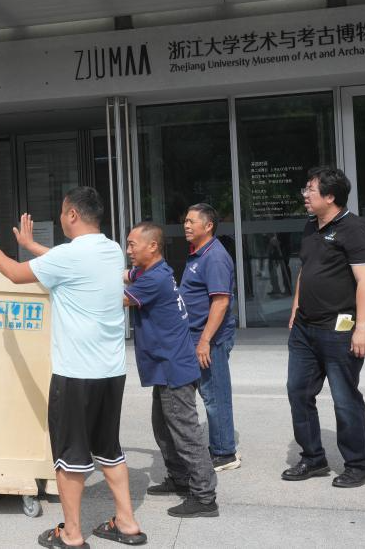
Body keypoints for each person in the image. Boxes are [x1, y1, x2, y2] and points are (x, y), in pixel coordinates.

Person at [0, 189, 146, 548]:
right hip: (111, 372)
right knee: (109, 450)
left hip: (76, 376)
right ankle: (127, 523)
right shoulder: (111, 249)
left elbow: (15, 274)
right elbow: (62, 262)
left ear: (72, 215)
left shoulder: (69, 256)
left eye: (61, 212)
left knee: (70, 458)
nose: (60, 217)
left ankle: (71, 534)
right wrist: (29, 245)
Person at [284, 167, 365, 488]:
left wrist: (362, 327)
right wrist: (295, 307)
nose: (305, 195)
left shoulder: (355, 230)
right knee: (298, 391)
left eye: (310, 190)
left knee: (344, 398)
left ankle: (358, 464)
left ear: (330, 196)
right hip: (305, 328)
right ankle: (313, 458)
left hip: (340, 327)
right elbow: (305, 270)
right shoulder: (311, 226)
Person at [124, 222, 219, 519]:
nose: (128, 250)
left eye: (132, 244)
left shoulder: (154, 279)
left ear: (152, 246)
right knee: (163, 427)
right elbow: (125, 276)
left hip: (173, 367)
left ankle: (204, 497)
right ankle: (179, 478)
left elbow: (120, 298)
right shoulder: (151, 270)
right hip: (166, 365)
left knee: (185, 433)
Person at [179, 203, 240, 472]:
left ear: (208, 225)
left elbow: (220, 302)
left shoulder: (214, 257)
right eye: (185, 221)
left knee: (215, 395)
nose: (186, 225)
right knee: (209, 393)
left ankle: (225, 453)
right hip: (197, 336)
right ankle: (220, 445)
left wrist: (204, 341)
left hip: (210, 339)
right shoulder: (198, 253)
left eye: (192, 221)